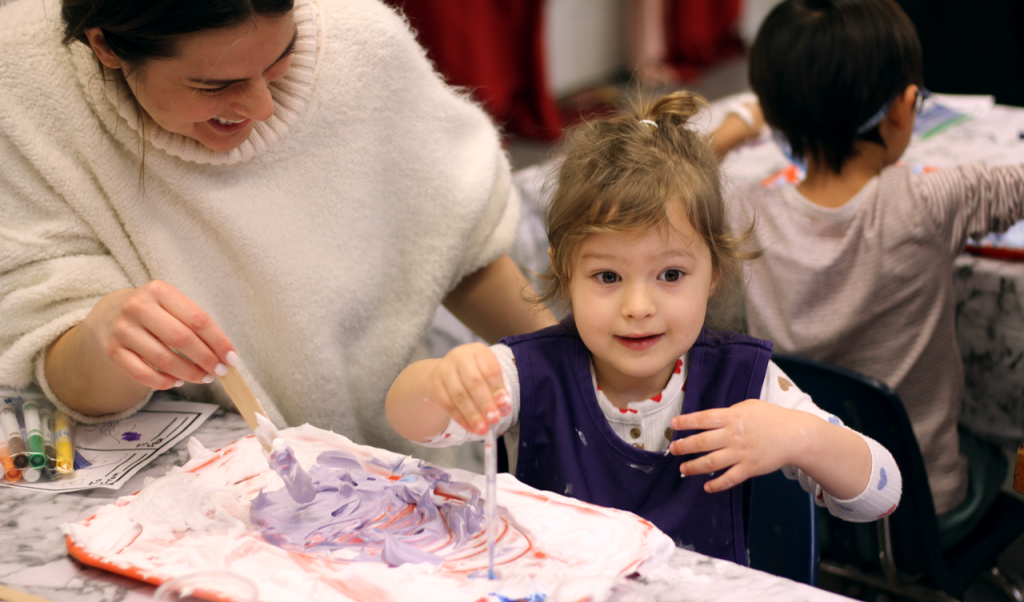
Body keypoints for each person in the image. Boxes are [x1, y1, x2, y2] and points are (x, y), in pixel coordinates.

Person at [0, 0, 555, 453]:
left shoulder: (360, 44)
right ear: (105, 46)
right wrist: (103, 338)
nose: (263, 107)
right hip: (189, 489)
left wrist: (574, 373)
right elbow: (64, 377)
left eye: (281, 58)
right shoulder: (27, 86)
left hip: (389, 454)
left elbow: (460, 246)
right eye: (215, 86)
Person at [386, 91, 902, 562]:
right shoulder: (529, 373)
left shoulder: (746, 383)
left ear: (713, 274)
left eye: (671, 275)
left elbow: (882, 496)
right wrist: (443, 382)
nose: (638, 306)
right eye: (607, 276)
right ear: (567, 274)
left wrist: (799, 436)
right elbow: (410, 420)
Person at [731, 0, 1024, 540]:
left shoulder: (743, 212)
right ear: (902, 109)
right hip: (922, 501)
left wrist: (737, 124)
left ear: (775, 117)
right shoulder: (932, 200)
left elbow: (667, 165)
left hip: (798, 498)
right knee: (1001, 447)